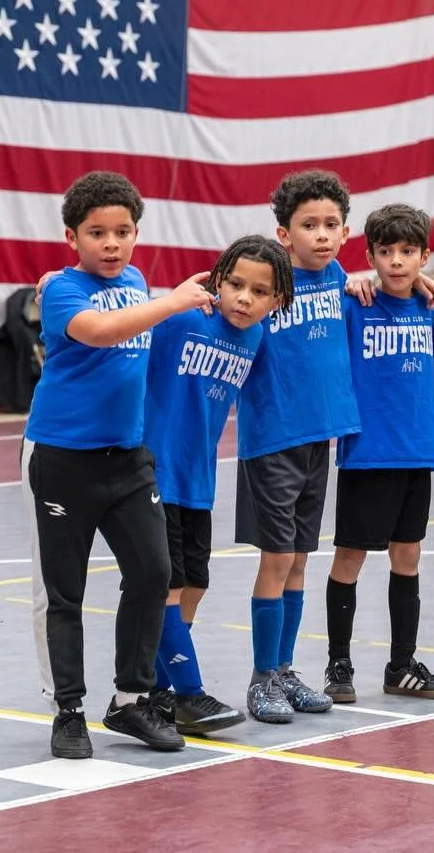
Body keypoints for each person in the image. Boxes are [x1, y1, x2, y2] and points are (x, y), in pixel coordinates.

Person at [23, 171, 214, 759]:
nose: (111, 243)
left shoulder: (134, 280)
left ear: (136, 234)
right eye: (96, 232)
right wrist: (173, 300)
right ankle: (69, 711)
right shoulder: (60, 291)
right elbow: (102, 333)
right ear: (71, 237)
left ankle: (130, 700)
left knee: (155, 573)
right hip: (63, 459)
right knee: (64, 591)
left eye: (122, 231)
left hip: (129, 459)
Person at [141, 236, 293, 734]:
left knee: (195, 584)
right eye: (235, 285)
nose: (245, 298)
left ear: (276, 301)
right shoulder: (184, 318)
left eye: (259, 291)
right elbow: (125, 326)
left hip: (198, 476)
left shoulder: (257, 336)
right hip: (154, 469)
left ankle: (157, 689)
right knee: (167, 584)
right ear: (217, 281)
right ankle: (187, 694)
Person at [235, 170, 360, 723]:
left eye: (332, 224)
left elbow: (404, 282)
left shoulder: (340, 278)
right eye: (309, 225)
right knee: (277, 556)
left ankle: (285, 669)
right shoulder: (264, 284)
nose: (322, 235)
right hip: (272, 439)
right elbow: (211, 293)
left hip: (319, 438)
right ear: (284, 233)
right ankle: (262, 677)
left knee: (301, 560)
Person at [322, 204, 434, 703]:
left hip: (418, 451)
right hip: (368, 451)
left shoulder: (431, 304)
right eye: (385, 251)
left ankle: (401, 665)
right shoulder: (354, 302)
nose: (396, 261)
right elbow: (317, 293)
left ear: (424, 255)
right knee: (350, 556)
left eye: (407, 252)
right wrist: (352, 281)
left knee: (409, 555)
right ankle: (339, 665)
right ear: (371, 254)